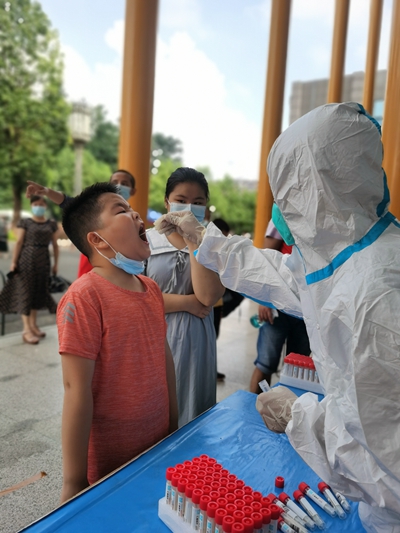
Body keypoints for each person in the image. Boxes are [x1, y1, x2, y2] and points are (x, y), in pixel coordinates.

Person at [155, 102, 400, 532]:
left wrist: (301, 419)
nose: (281, 210)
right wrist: (207, 241)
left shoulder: (373, 299)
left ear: (314, 190)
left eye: (286, 194)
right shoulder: (350, 260)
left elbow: (387, 468)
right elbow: (284, 277)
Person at [57, 182, 178, 503]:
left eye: (132, 208)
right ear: (97, 240)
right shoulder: (84, 296)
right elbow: (75, 389)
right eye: (121, 210)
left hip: (157, 440)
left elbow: (164, 356)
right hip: (111, 458)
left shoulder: (151, 289)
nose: (136, 214)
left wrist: (173, 424)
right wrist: (73, 480)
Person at [146, 167, 225, 427]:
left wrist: (194, 240)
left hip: (196, 341)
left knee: (192, 412)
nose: (189, 208)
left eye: (197, 203)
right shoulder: (145, 241)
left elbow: (208, 296)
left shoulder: (213, 243)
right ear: (167, 202)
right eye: (181, 200)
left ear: (206, 208)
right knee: (155, 411)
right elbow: (135, 297)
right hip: (154, 335)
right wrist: (187, 303)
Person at [26, 169, 137, 277]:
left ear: (133, 190)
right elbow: (67, 201)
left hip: (119, 276)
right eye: (115, 182)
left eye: (124, 183)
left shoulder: (135, 220)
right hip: (90, 272)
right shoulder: (93, 209)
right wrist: (47, 191)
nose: (118, 186)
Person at [250, 219, 310, 392]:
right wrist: (264, 299)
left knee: (297, 369)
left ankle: (288, 409)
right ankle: (252, 406)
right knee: (265, 364)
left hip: (307, 306)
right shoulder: (282, 214)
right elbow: (267, 257)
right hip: (278, 303)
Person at [0, 195, 58, 344]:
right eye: (35, 204)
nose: (38, 206)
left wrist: (56, 264)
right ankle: (26, 330)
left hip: (43, 261)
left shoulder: (51, 224)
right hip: (26, 260)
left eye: (41, 204)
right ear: (31, 205)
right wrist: (14, 262)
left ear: (45, 206)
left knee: (37, 293)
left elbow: (55, 245)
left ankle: (33, 325)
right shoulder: (25, 222)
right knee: (26, 293)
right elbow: (19, 242)